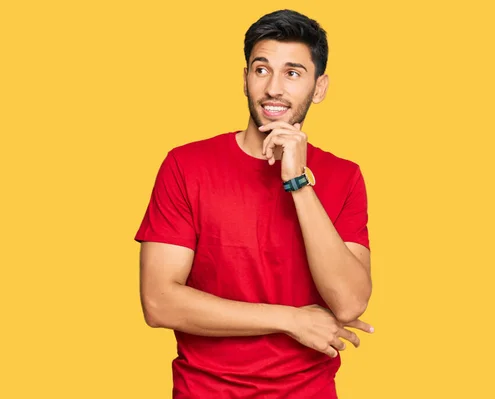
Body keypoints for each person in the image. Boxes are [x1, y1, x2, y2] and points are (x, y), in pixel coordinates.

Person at [134, 9, 374, 399]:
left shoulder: (345, 176)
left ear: (319, 87)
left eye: (293, 73)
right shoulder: (186, 165)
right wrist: (290, 320)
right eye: (261, 70)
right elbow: (159, 302)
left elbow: (348, 303)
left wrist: (298, 182)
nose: (274, 88)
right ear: (245, 80)